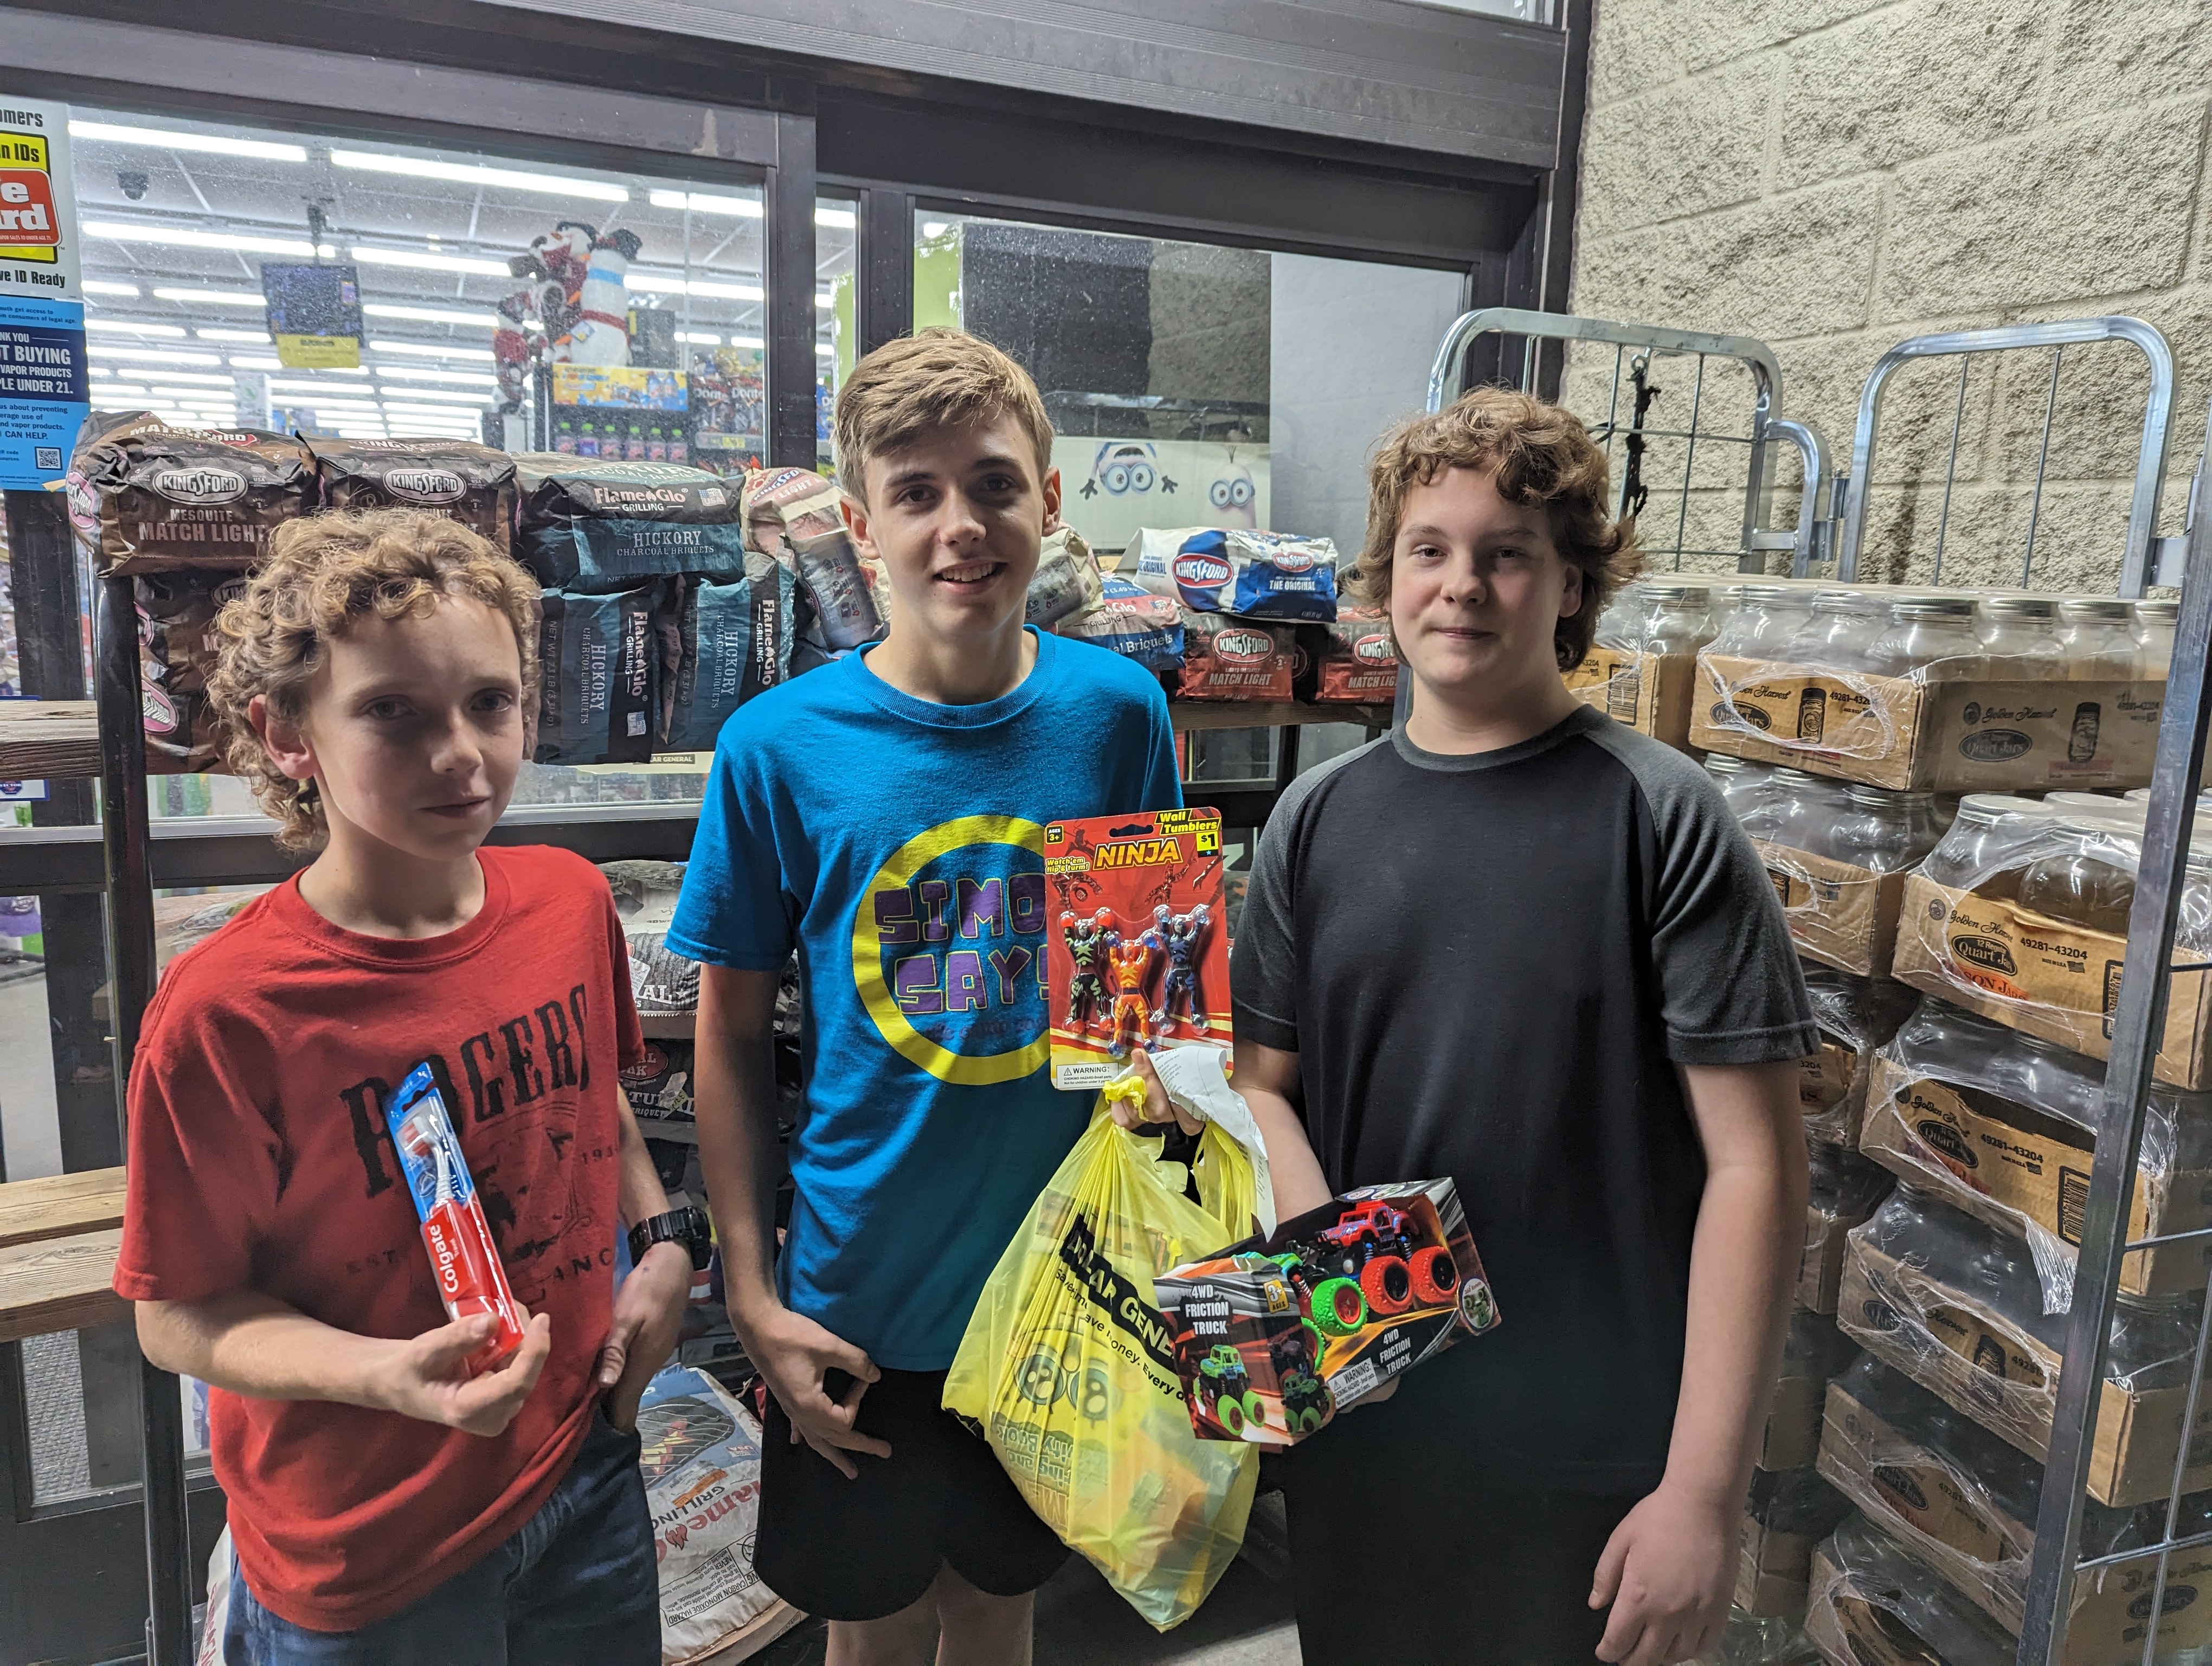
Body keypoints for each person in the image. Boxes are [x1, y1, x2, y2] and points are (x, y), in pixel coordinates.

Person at [1216, 389, 1812, 1665]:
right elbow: (1261, 1085)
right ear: (1386, 579)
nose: (1463, 586)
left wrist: (1703, 1492)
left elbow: (1757, 1168)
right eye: (1429, 549)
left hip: (1591, 1457)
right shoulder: (1317, 820)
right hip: (1371, 1437)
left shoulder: (1660, 816)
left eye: (1509, 554)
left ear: (1572, 586)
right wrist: (1320, 1297)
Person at [668, 328, 1182, 1664]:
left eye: (995, 484)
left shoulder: (1121, 716)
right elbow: (728, 1035)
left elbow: (1147, 1022)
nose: (961, 524)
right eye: (916, 493)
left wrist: (1164, 1251)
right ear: (862, 528)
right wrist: (752, 1295)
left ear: (1048, 503)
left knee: (1001, 1611)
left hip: (1055, 1292)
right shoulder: (775, 749)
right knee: (875, 1628)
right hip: (856, 1304)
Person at [113, 510, 699, 1665]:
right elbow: (176, 1313)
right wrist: (388, 1379)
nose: (461, 754)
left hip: (582, 1465)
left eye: (490, 702)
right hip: (369, 1548)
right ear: (288, 734)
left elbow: (593, 1095)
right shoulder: (230, 1011)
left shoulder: (568, 900)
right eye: (393, 711)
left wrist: (665, 1237)